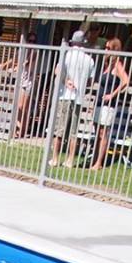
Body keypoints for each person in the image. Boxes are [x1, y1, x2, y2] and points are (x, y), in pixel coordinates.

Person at [51, 29, 95, 169]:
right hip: (79, 97)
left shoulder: (67, 55)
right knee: (73, 132)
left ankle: (55, 158)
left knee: (59, 129)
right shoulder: (90, 60)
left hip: (65, 95)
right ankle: (70, 160)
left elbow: (57, 71)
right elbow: (90, 82)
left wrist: (66, 81)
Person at [90, 37, 132, 170]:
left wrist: (112, 94)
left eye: (108, 48)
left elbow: (126, 80)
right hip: (99, 102)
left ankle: (99, 162)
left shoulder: (117, 64)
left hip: (108, 105)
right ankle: (94, 160)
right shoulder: (106, 65)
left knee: (104, 133)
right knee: (97, 131)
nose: (105, 50)